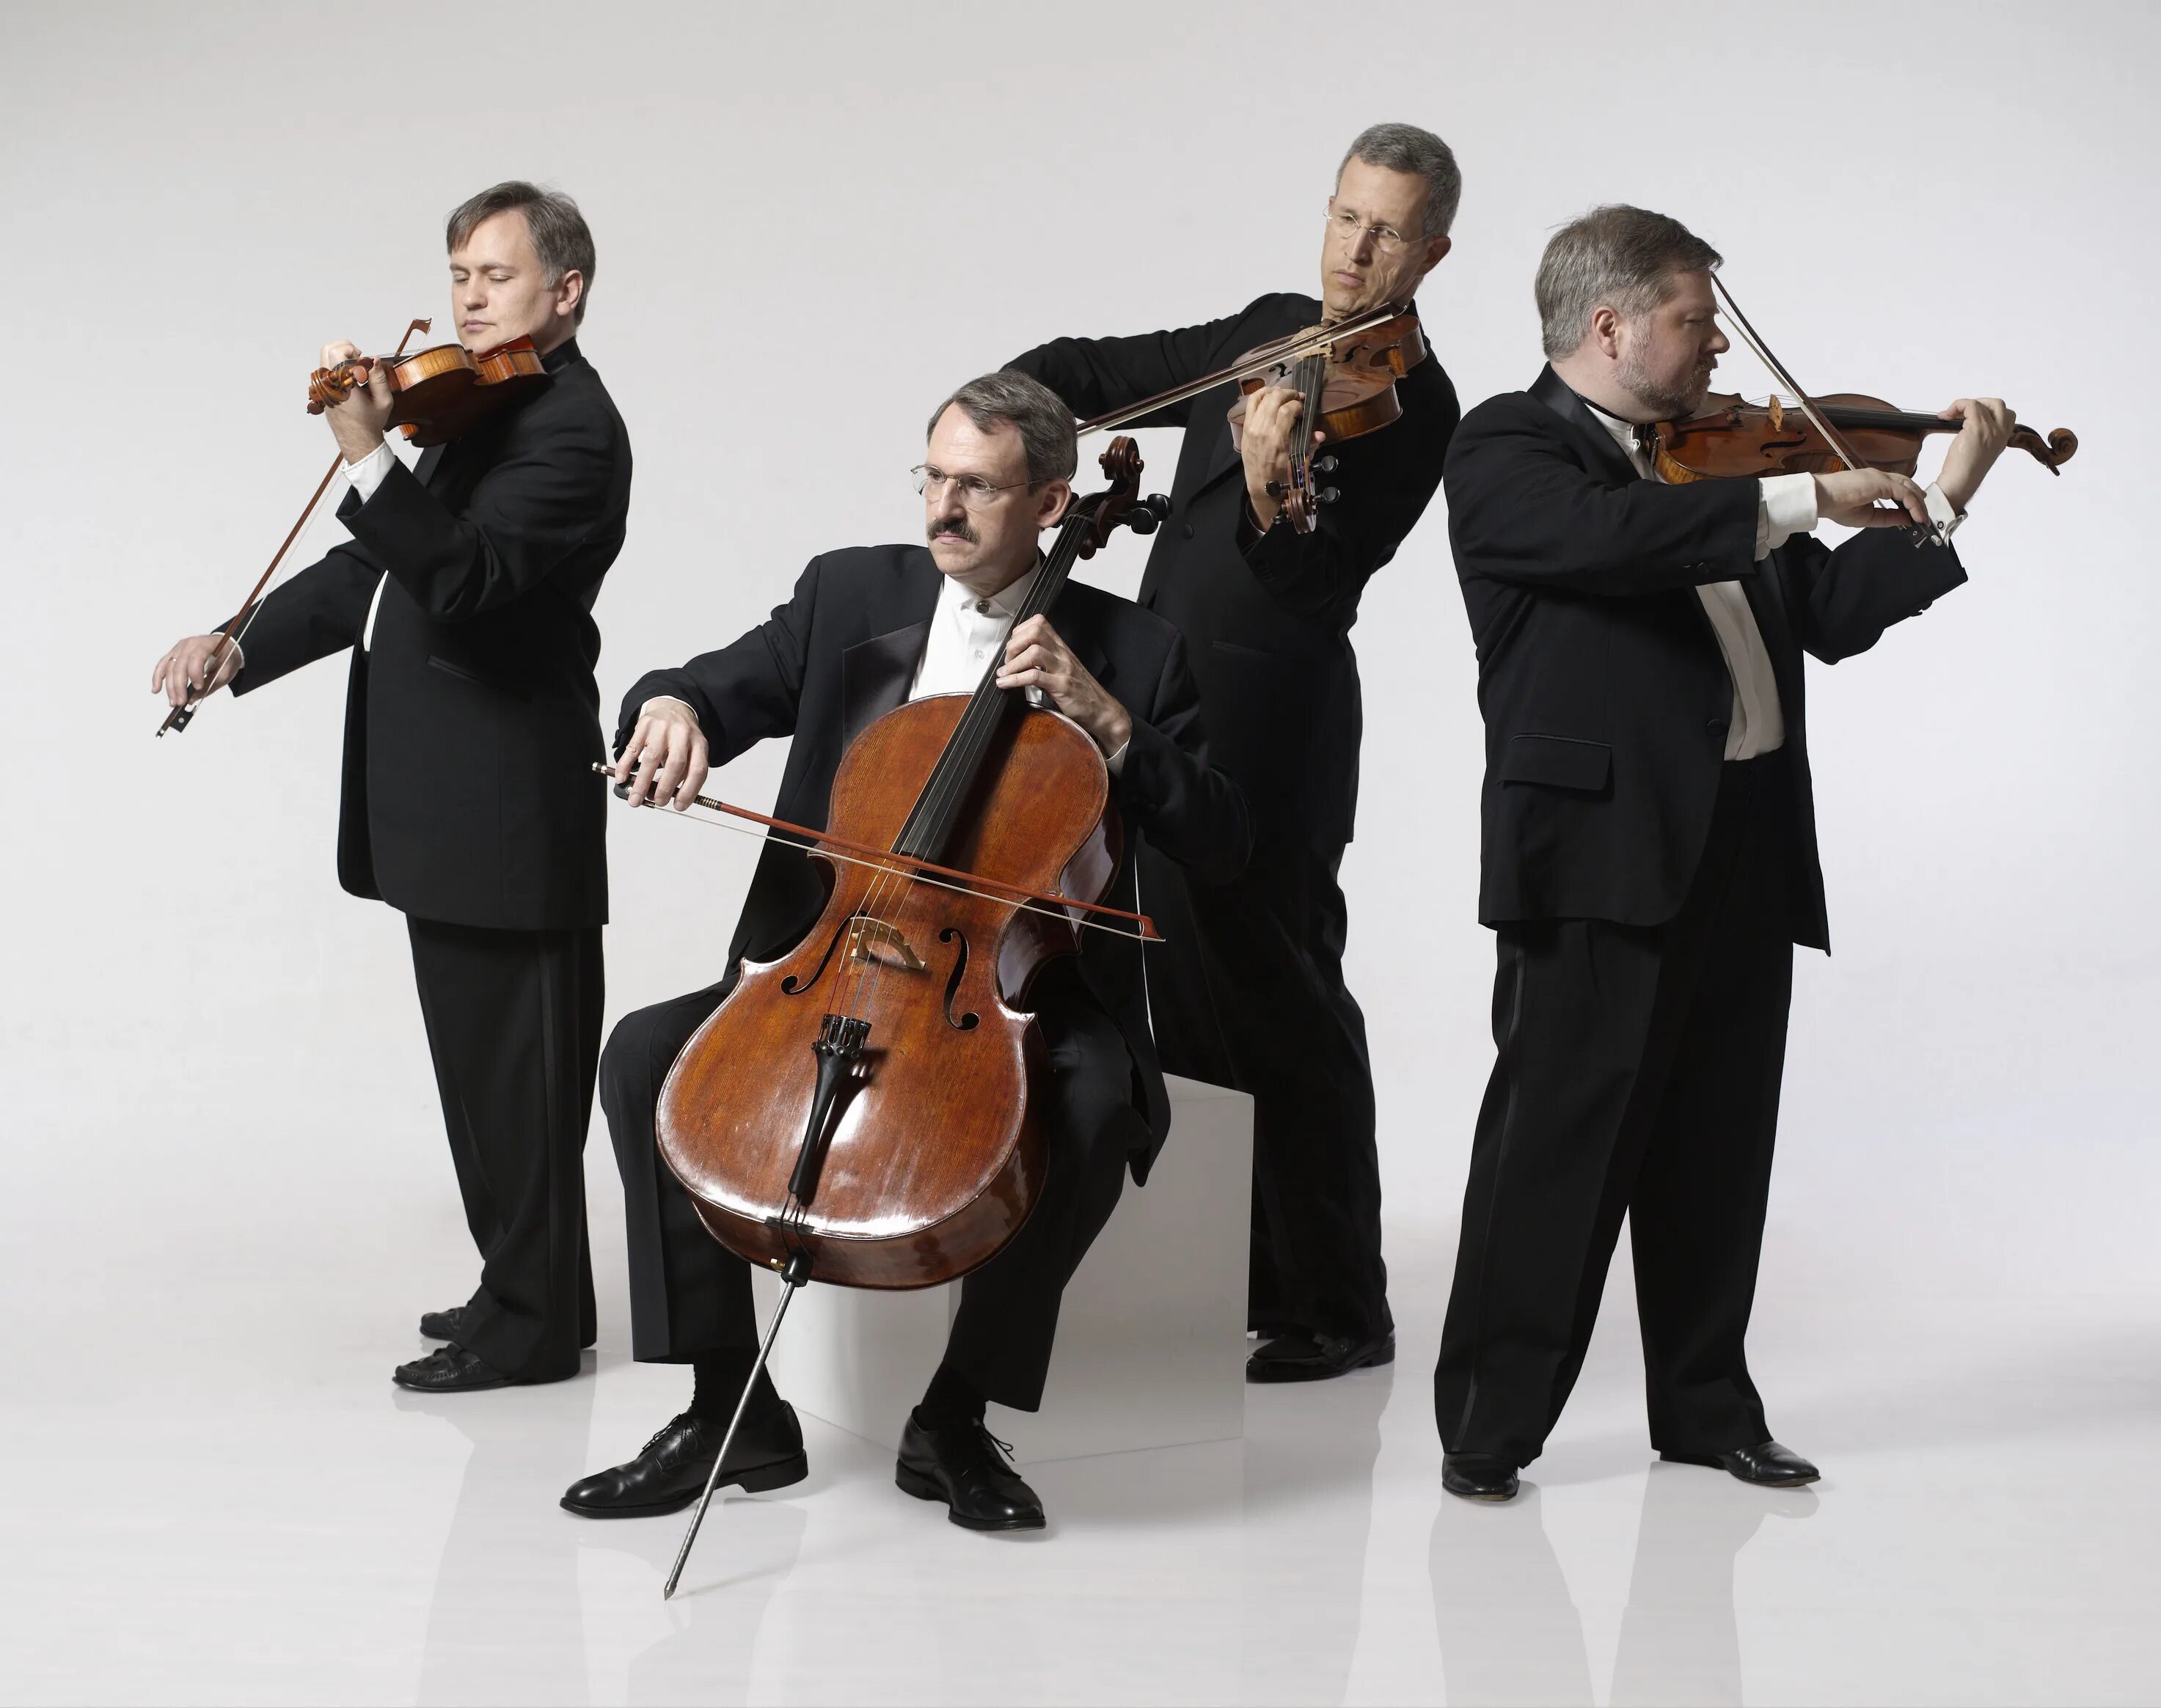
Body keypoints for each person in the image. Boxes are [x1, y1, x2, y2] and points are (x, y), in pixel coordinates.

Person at [563, 372, 1250, 1531]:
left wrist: (1110, 724)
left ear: (1052, 503)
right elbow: (705, 688)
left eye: (976, 486)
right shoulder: (849, 592)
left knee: (1092, 1102)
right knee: (641, 1054)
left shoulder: (1135, 651)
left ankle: (957, 1415)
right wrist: (668, 707)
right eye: (931, 477)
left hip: (1019, 981)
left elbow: (1226, 839)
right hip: (831, 955)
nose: (942, 507)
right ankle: (732, 1407)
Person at [1434, 205, 2017, 1501]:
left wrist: (1946, 500)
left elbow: (1828, 616)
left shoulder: (1706, 472)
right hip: (1599, 853)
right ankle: (1488, 1425)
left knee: (1717, 1145)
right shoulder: (1509, 446)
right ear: (1609, 326)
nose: (1716, 348)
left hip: (1745, 839)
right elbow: (1606, 543)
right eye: (1695, 320)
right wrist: (1804, 494)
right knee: (1558, 1150)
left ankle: (1705, 1407)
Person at [150, 182, 631, 1392]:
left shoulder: (574, 430)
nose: (469, 299)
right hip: (448, 807)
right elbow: (374, 563)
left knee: (522, 1080)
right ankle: (528, 1287)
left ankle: (531, 1327)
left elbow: (462, 579)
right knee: (478, 1074)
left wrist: (369, 451)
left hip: (511, 807)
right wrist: (239, 641)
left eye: (497, 276)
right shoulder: (477, 412)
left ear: (566, 290)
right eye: (459, 275)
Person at [1008, 122, 1461, 1382]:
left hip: (1273, 740)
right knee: (1191, 1004)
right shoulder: (1270, 328)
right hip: (1161, 716)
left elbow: (1315, 584)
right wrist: (1004, 409)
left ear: (1432, 253)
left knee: (1285, 1009)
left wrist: (1270, 492)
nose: (1355, 251)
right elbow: (1103, 368)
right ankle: (1249, 1277)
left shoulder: (1417, 406)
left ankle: (1343, 1305)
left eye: (1387, 232)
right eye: (1345, 217)